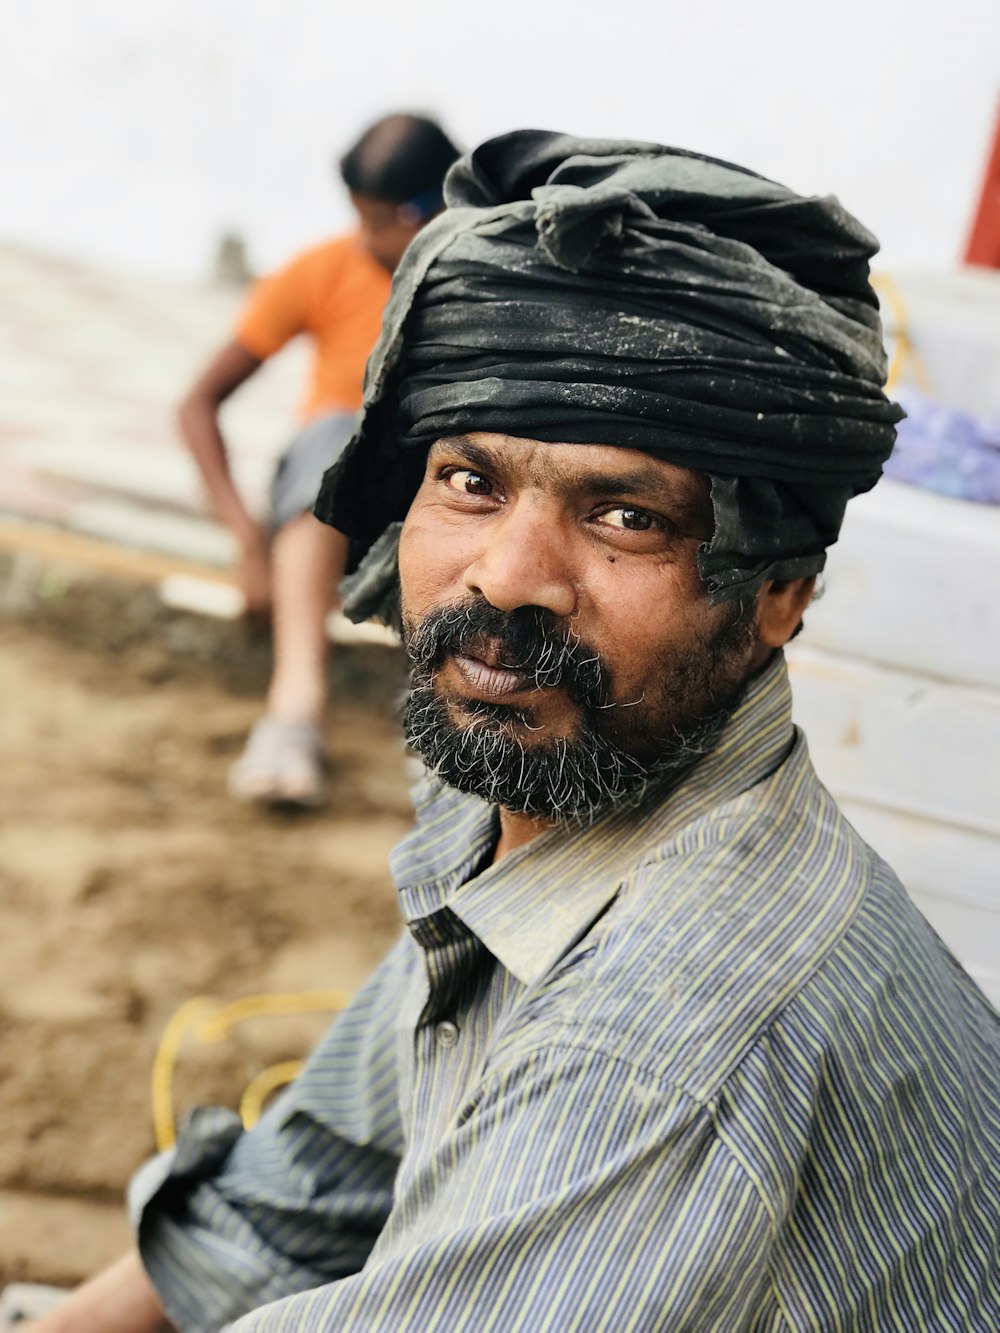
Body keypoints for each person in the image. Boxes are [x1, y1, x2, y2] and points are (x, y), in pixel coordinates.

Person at [34, 131, 999, 1331]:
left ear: (776, 595)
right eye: (471, 481)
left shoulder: (664, 1047)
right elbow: (305, 1192)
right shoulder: (526, 785)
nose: (505, 578)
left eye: (625, 515)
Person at [179, 112, 460, 806]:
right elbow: (198, 404)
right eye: (358, 218)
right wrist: (248, 543)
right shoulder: (323, 269)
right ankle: (294, 708)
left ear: (440, 206)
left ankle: (450, 736)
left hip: (432, 505)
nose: (368, 239)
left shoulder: (474, 283)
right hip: (330, 502)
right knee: (341, 434)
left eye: (383, 220)